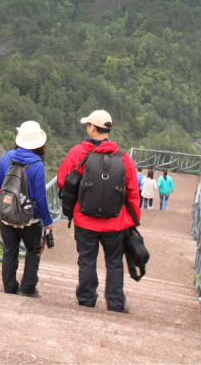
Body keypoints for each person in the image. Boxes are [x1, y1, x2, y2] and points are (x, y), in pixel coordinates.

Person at [57, 110, 140, 312]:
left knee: (87, 259)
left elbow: (62, 180)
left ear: (92, 128)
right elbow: (132, 191)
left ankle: (86, 300)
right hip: (116, 222)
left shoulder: (78, 153)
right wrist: (133, 220)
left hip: (85, 220)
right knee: (114, 262)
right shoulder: (124, 157)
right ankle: (115, 302)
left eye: (88, 125)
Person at [0, 120, 53, 298]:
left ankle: (9, 287)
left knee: (10, 250)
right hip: (30, 219)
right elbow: (40, 197)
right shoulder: (38, 165)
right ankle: (27, 289)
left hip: (7, 215)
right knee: (33, 252)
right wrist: (47, 222)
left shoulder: (5, 158)